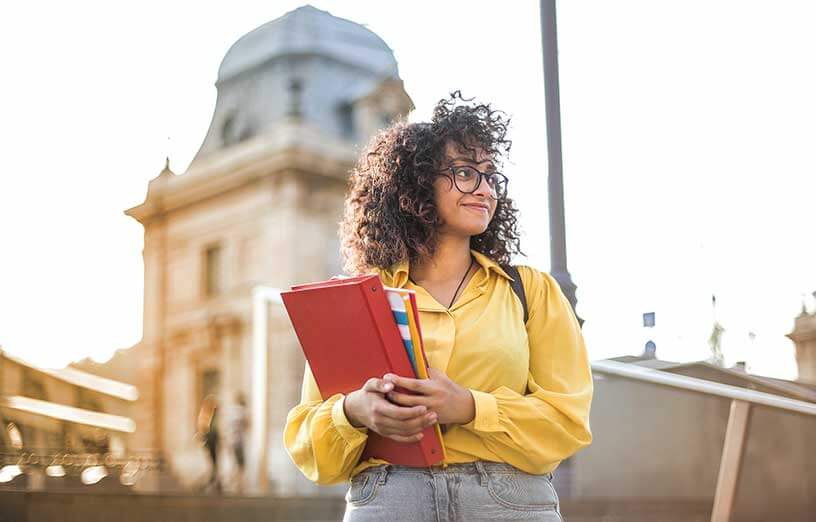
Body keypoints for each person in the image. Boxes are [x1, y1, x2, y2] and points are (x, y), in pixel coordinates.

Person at [284, 92, 593, 521]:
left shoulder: (531, 291)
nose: (484, 189)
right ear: (417, 184)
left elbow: (568, 420)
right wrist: (355, 411)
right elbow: (310, 445)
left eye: (490, 176)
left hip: (509, 503)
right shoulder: (356, 299)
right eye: (465, 173)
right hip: (390, 499)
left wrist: (468, 406)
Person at [197, 395, 221, 494]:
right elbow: (204, 428)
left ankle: (215, 480)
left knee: (214, 461)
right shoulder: (207, 415)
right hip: (211, 440)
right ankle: (214, 480)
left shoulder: (210, 415)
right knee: (213, 461)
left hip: (213, 440)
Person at [229, 392, 249, 494]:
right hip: (239, 442)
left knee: (236, 463)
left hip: (232, 441)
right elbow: (247, 424)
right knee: (241, 465)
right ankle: (238, 485)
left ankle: (236, 484)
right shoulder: (242, 411)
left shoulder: (232, 411)